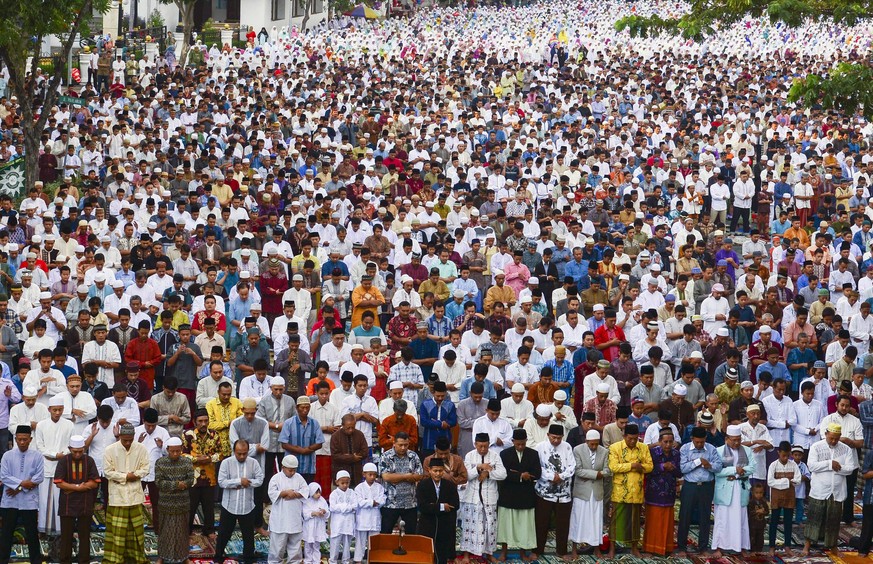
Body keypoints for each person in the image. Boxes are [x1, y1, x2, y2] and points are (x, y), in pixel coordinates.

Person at [802, 422, 858, 555]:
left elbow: (850, 469)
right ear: (826, 434)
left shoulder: (846, 449)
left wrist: (837, 468)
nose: (833, 441)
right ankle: (807, 546)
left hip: (837, 491)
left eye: (836, 438)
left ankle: (833, 547)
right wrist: (829, 464)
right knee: (814, 518)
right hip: (819, 489)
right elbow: (812, 466)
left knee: (834, 519)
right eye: (831, 437)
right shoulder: (816, 447)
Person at [103, 423, 150, 564]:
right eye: (125, 440)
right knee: (117, 533)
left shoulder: (141, 448)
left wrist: (134, 475)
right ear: (120, 436)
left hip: (135, 497)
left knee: (136, 532)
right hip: (117, 498)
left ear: (134, 436)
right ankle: (115, 560)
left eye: (130, 440)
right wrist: (125, 477)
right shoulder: (110, 450)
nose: (128, 443)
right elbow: (107, 472)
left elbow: (145, 468)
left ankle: (136, 559)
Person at [607, 422, 653, 558]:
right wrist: (633, 465)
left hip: (636, 491)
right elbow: (613, 467)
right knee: (616, 521)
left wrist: (641, 467)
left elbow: (650, 466)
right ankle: (612, 549)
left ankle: (634, 548)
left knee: (635, 521)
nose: (633, 441)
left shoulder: (643, 447)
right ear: (624, 435)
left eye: (635, 438)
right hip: (620, 490)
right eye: (630, 439)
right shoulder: (615, 448)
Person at [214, 440, 264, 564]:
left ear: (248, 451)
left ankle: (248, 559)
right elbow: (221, 482)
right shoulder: (226, 463)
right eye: (239, 454)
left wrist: (247, 482)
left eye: (244, 453)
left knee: (248, 537)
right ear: (234, 451)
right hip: (229, 505)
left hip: (247, 505)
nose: (242, 456)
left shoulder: (254, 463)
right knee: (223, 535)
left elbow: (260, 480)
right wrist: (238, 481)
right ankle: (218, 558)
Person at [459, 432, 507, 561]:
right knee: (469, 527)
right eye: (480, 446)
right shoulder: (469, 456)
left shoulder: (495, 456)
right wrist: (479, 468)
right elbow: (466, 476)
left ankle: (489, 554)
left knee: (489, 526)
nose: (483, 449)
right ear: (475, 444)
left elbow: (503, 474)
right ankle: (466, 555)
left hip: (489, 497)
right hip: (472, 497)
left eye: (485, 446)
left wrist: (488, 473)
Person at [0, 425, 44, 564]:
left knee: (31, 534)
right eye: (19, 439)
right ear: (15, 439)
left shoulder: (37, 456)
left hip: (28, 502)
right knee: (6, 534)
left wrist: (18, 488)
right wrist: (23, 484)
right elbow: (4, 476)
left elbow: (39, 478)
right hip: (9, 501)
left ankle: (35, 561)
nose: (22, 442)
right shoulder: (7, 455)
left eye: (25, 439)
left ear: (30, 439)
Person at [676, 426, 723, 556]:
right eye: (697, 442)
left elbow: (718, 467)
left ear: (705, 439)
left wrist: (709, 465)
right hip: (690, 486)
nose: (699, 444)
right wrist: (698, 461)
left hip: (706, 487)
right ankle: (681, 548)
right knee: (685, 516)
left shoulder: (711, 449)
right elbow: (683, 468)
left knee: (705, 517)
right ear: (692, 439)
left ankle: (703, 547)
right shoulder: (685, 449)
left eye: (702, 442)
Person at [711, 424, 757, 557]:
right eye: (734, 440)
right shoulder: (718, 451)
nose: (737, 442)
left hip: (740, 488)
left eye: (739, 439)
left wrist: (737, 474)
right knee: (722, 519)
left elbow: (752, 467)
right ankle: (719, 547)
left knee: (741, 518)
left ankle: (741, 547)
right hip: (725, 489)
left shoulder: (747, 450)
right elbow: (717, 471)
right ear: (727, 439)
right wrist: (734, 470)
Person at [496, 428, 541, 561]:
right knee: (506, 526)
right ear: (513, 441)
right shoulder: (505, 454)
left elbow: (537, 473)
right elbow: (503, 474)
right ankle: (504, 552)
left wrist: (527, 476)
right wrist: (520, 476)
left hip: (525, 496)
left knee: (524, 527)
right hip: (508, 495)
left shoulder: (533, 454)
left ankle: (523, 553)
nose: (520, 447)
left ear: (526, 441)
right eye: (518, 444)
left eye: (523, 444)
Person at [54, 434, 99, 564]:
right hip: (67, 504)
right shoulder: (64, 461)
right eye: (75, 452)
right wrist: (79, 487)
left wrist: (71, 488)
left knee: (84, 536)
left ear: (84, 449)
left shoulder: (89, 460)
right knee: (66, 536)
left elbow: (95, 482)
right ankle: (65, 561)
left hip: (85, 503)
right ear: (69, 449)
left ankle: (84, 561)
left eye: (81, 451)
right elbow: (58, 482)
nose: (78, 454)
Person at [534, 423, 575, 559]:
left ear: (563, 437)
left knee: (563, 523)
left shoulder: (567, 447)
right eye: (553, 437)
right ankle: (538, 550)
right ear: (548, 435)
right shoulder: (540, 447)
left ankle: (561, 551)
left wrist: (560, 477)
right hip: (544, 492)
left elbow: (572, 466)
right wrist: (552, 477)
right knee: (541, 522)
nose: (556, 440)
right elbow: (537, 468)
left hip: (564, 494)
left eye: (559, 438)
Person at [35, 394, 74, 534]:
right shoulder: (41, 425)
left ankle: (60, 531)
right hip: (46, 465)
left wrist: (61, 455)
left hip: (62, 466)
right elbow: (39, 446)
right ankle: (44, 530)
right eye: (54, 410)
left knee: (60, 499)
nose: (57, 413)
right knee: (44, 500)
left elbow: (70, 445)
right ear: (49, 409)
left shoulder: (69, 425)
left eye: (60, 410)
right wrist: (53, 455)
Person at [153, 436, 195, 564]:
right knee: (165, 531)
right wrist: (177, 485)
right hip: (166, 503)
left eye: (178, 451)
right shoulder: (160, 462)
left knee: (182, 531)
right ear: (167, 449)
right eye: (172, 451)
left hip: (183, 503)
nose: (175, 454)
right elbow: (159, 482)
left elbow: (190, 480)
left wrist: (179, 484)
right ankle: (162, 556)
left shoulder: (187, 462)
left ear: (181, 449)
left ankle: (184, 557)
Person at [569, 429, 609, 558]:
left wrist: (595, 474)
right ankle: (574, 548)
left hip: (597, 491)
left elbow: (608, 471)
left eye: (596, 444)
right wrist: (596, 474)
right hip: (582, 492)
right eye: (592, 444)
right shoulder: (577, 450)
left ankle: (596, 548)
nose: (594, 446)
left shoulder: (604, 451)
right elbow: (578, 470)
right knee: (578, 519)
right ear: (586, 442)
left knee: (596, 520)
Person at [643, 428, 682, 556]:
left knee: (667, 522)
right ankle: (650, 548)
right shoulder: (652, 453)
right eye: (665, 442)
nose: (668, 445)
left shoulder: (676, 454)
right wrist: (662, 466)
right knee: (653, 521)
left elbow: (680, 472)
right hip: (654, 492)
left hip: (669, 492)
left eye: (670, 442)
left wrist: (673, 467)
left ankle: (666, 548)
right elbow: (647, 470)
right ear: (659, 441)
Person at [416, 456, 460, 564]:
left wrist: (433, 506)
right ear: (429, 470)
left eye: (440, 471)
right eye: (435, 471)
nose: (438, 474)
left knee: (441, 554)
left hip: (444, 525)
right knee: (427, 553)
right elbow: (422, 506)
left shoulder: (449, 486)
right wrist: (441, 507)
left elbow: (455, 505)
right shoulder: (423, 485)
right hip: (427, 525)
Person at [267, 454, 309, 564]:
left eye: (294, 470)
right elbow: (271, 493)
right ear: (283, 467)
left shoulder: (299, 478)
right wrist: (284, 493)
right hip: (279, 520)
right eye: (290, 470)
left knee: (295, 548)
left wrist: (294, 494)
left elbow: (306, 491)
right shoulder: (275, 478)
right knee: (277, 548)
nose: (292, 473)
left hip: (294, 519)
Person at [378, 431, 423, 533]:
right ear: (394, 443)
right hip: (390, 503)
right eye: (400, 445)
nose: (403, 448)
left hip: (410, 503)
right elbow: (386, 477)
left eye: (406, 445)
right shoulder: (386, 456)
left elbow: (419, 475)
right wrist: (406, 476)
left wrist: (396, 477)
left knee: (411, 534)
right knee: (386, 532)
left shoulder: (413, 456)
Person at [768, 440, 801, 555]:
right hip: (776, 498)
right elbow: (770, 482)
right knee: (774, 522)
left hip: (789, 497)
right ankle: (772, 547)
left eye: (788, 455)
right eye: (783, 455)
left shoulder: (793, 465)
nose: (786, 458)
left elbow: (798, 480)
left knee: (788, 522)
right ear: (778, 453)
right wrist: (787, 482)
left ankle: (787, 546)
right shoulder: (773, 465)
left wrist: (781, 482)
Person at [354, 462, 385, 563]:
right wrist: (371, 502)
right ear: (364, 474)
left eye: (374, 475)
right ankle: (358, 560)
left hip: (374, 518)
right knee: (360, 541)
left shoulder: (379, 487)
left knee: (374, 541)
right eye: (370, 474)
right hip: (362, 518)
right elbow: (359, 502)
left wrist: (369, 502)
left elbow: (382, 500)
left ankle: (373, 559)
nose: (372, 477)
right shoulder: (359, 488)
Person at [329, 470, 358, 564]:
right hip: (337, 523)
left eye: (347, 483)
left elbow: (355, 506)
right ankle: (333, 561)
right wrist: (347, 507)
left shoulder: (352, 493)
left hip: (348, 523)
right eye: (342, 483)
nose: (345, 485)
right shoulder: (334, 494)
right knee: (335, 543)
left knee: (347, 543)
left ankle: (345, 561)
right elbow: (333, 507)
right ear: (337, 482)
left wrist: (341, 507)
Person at [302, 482, 330, 564]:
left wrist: (324, 511)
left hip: (318, 526)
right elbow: (304, 514)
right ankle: (308, 560)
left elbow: (327, 512)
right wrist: (314, 513)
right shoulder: (307, 501)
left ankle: (316, 560)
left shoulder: (322, 500)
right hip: (309, 526)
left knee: (316, 545)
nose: (318, 494)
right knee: (308, 544)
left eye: (319, 492)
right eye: (316, 492)